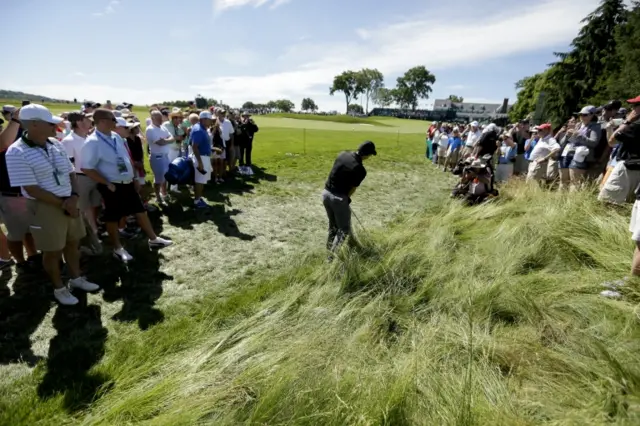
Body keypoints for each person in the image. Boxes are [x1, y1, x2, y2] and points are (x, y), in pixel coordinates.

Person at [5, 104, 99, 305]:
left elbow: (71, 171)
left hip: (69, 201)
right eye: (50, 123)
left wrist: (73, 196)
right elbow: (31, 189)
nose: (56, 126)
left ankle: (76, 279)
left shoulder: (55, 143)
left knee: (73, 243)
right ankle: (59, 288)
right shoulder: (16, 151)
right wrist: (64, 203)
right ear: (34, 125)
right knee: (53, 250)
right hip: (45, 207)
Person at [81, 109, 172, 262]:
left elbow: (125, 158)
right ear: (102, 121)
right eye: (113, 119)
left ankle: (153, 239)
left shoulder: (115, 136)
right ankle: (118, 248)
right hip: (112, 185)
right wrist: (106, 183)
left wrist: (134, 178)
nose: (116, 123)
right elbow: (86, 168)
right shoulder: (92, 142)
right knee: (113, 217)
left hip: (127, 182)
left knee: (140, 210)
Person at [322, 141, 376, 256]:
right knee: (343, 230)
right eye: (370, 155)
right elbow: (352, 189)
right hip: (338, 199)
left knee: (333, 226)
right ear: (366, 155)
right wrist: (346, 199)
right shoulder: (360, 169)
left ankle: (328, 250)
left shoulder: (343, 154)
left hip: (326, 194)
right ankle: (331, 258)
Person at [599, 96, 640, 204]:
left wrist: (627, 122)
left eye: (635, 106)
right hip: (636, 168)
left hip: (627, 167)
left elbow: (612, 141)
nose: (632, 109)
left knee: (607, 201)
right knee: (630, 202)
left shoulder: (634, 126)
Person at [565, 106, 602, 190]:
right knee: (571, 182)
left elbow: (593, 142)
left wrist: (578, 134)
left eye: (585, 115)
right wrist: (569, 135)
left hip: (582, 157)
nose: (582, 117)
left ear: (592, 115)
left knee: (575, 183)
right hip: (572, 153)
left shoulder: (595, 126)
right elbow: (572, 141)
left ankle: (572, 202)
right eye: (580, 114)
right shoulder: (579, 125)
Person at [145, 110, 175, 205]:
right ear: (153, 118)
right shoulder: (150, 129)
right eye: (158, 118)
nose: (160, 120)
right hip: (157, 157)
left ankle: (164, 193)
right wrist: (167, 140)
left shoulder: (162, 127)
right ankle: (158, 197)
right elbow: (159, 142)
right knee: (158, 178)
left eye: (161, 118)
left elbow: (172, 138)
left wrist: (165, 140)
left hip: (165, 156)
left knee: (165, 176)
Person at [190, 111, 214, 209]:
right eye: (209, 120)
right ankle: (197, 201)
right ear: (203, 119)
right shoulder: (199, 130)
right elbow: (194, 146)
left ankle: (199, 198)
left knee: (202, 180)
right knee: (199, 180)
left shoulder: (202, 128)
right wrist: (200, 162)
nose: (211, 122)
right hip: (201, 157)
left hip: (204, 157)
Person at [162, 111, 186, 194]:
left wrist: (182, 135)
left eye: (179, 117)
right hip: (168, 150)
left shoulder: (179, 127)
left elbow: (182, 137)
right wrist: (176, 137)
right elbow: (165, 136)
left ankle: (174, 188)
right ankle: (163, 190)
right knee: (166, 168)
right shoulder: (166, 125)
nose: (177, 119)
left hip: (176, 150)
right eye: (175, 117)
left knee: (175, 168)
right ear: (172, 118)